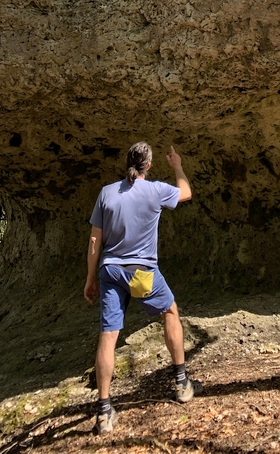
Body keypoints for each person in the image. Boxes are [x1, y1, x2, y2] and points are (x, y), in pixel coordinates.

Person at [83, 141, 199, 434]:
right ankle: (182, 382)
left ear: (127, 163)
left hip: (110, 270)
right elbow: (186, 192)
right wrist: (178, 166)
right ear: (148, 165)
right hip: (140, 272)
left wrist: (89, 278)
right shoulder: (155, 191)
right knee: (170, 312)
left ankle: (105, 411)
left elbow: (95, 240)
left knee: (108, 336)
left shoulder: (107, 193)